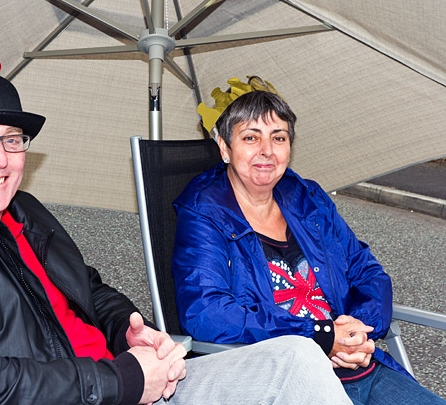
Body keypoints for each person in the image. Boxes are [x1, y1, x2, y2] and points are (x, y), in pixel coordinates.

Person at [0, 73, 353, 404]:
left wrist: (127, 326)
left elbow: (88, 287)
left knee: (297, 358)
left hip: (119, 385)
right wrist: (121, 380)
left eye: (12, 140)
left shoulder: (22, 210)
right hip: (99, 391)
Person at [172, 89, 446, 405]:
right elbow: (206, 313)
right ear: (224, 147)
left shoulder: (308, 198)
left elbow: (368, 273)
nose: (266, 151)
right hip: (290, 382)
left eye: (278, 138)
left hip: (359, 368)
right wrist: (319, 335)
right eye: (250, 138)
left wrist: (356, 330)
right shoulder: (204, 212)